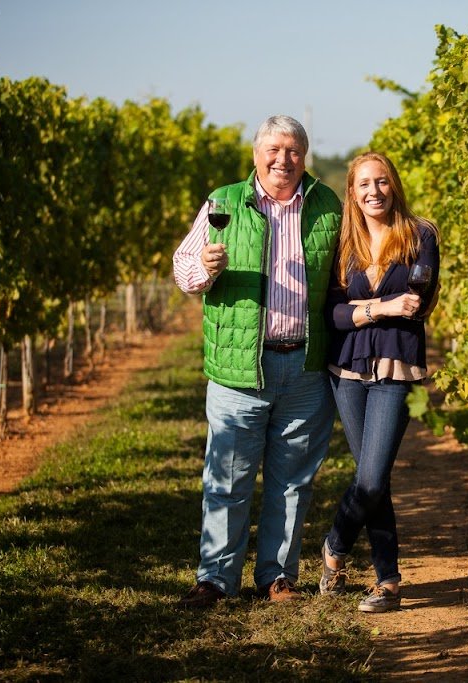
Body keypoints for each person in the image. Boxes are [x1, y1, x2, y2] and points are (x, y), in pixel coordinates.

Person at [172, 115, 342, 608]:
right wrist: (203, 269)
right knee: (227, 479)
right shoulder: (223, 202)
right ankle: (215, 579)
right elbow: (183, 269)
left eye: (293, 151)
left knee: (292, 483)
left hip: (304, 367)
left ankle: (277, 577)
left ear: (304, 157)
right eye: (273, 149)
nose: (282, 159)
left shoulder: (327, 205)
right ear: (256, 155)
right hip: (239, 368)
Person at [317, 151, 440, 613]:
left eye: (382, 181)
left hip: (395, 368)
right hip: (346, 371)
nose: (375, 191)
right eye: (365, 184)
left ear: (394, 186)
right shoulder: (343, 244)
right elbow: (331, 314)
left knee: (369, 479)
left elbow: (418, 300)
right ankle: (388, 581)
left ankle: (334, 546)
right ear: (352, 192)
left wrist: (360, 311)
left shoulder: (420, 235)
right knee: (376, 478)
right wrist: (383, 308)